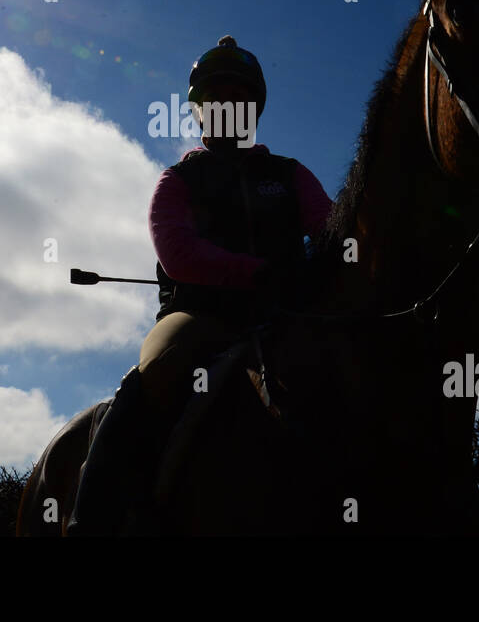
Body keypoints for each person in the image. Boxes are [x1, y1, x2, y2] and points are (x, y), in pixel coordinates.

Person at [68, 36, 332, 535]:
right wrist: (259, 272)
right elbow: (179, 255)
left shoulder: (292, 175)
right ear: (200, 112)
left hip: (289, 317)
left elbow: (333, 231)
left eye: (239, 98)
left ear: (253, 110)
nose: (227, 107)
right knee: (153, 373)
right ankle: (93, 522)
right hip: (200, 319)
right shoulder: (178, 181)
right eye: (216, 99)